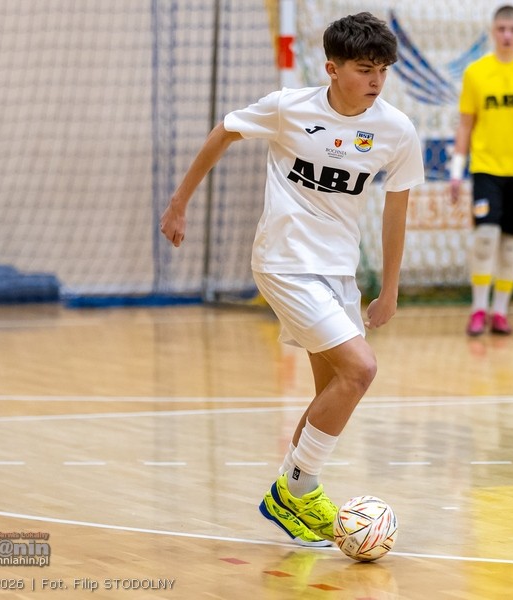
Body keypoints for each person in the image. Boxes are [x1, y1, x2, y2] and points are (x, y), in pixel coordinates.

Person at [159, 12, 424, 546]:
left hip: (338, 272)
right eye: (365, 68)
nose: (376, 80)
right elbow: (224, 132)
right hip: (283, 262)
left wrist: (390, 288)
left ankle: (292, 494)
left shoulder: (396, 129)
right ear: (332, 68)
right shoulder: (288, 107)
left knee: (332, 390)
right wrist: (179, 202)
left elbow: (396, 211)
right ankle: (297, 488)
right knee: (361, 369)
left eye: (383, 71)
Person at [449, 4, 513, 336]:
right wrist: (456, 170)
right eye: (501, 29)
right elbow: (466, 125)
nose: (507, 35)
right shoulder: (476, 73)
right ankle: (478, 308)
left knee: (511, 244)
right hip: (486, 170)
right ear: (492, 32)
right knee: (485, 238)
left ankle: (501, 312)